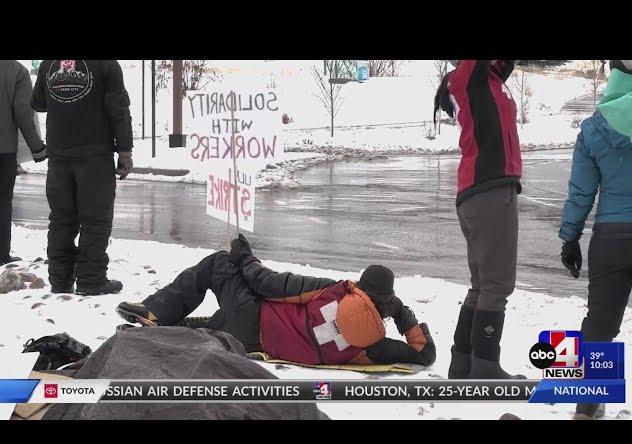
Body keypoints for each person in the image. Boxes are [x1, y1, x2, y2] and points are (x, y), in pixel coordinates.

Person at [116, 235, 437, 367]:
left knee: (218, 264)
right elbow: (424, 354)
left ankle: (156, 313)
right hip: (258, 343)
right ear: (386, 303)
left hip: (253, 316)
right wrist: (404, 315)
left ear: (361, 286)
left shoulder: (333, 290)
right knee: (216, 323)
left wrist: (244, 256)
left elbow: (266, 283)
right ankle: (180, 325)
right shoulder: (375, 347)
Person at [560, 60, 632, 419]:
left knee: (599, 324)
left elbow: (581, 192)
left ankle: (587, 406)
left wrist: (570, 237)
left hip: (610, 238)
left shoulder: (593, 128)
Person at [434, 60, 524, 379]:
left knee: (483, 285)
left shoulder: (490, 80)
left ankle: (463, 362)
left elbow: (505, 64)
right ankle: (485, 365)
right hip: (490, 188)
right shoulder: (468, 79)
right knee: (498, 284)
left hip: (481, 189)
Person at [31, 60, 133, 295]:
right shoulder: (106, 64)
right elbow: (119, 109)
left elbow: (38, 102)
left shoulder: (49, 64)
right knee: (95, 220)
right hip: (95, 154)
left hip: (59, 153)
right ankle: (91, 280)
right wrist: (125, 151)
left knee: (61, 219)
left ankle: (60, 279)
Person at [0, 60, 47, 265]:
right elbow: (22, 112)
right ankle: (1, 254)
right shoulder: (16, 71)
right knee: (2, 203)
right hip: (3, 151)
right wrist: (37, 147)